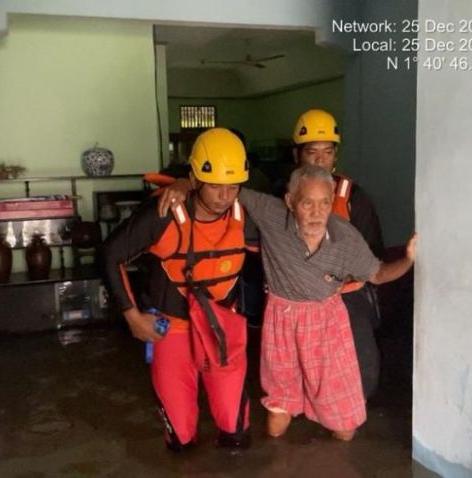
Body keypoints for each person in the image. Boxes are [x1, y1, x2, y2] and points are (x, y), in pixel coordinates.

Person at [157, 165, 417, 441]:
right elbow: (227, 191)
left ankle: (322, 406)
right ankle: (291, 404)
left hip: (327, 323)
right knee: (276, 424)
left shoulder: (346, 237)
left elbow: (378, 274)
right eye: (307, 203)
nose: (317, 213)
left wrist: (408, 260)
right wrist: (185, 183)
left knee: (345, 432)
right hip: (282, 320)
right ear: (290, 201)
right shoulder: (272, 213)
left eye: (325, 203)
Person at [102, 128, 257, 451]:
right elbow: (110, 255)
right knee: (182, 439)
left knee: (236, 434)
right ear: (196, 179)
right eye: (215, 185)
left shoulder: (248, 217)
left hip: (220, 329)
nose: (224, 196)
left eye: (233, 186)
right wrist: (132, 317)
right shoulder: (163, 214)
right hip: (171, 330)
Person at [283, 109, 387, 400]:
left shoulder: (353, 198)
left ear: (335, 156)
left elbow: (372, 254)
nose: (319, 160)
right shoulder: (281, 197)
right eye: (311, 152)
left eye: (327, 152)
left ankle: (351, 409)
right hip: (298, 297)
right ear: (297, 155)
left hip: (346, 294)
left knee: (361, 368)